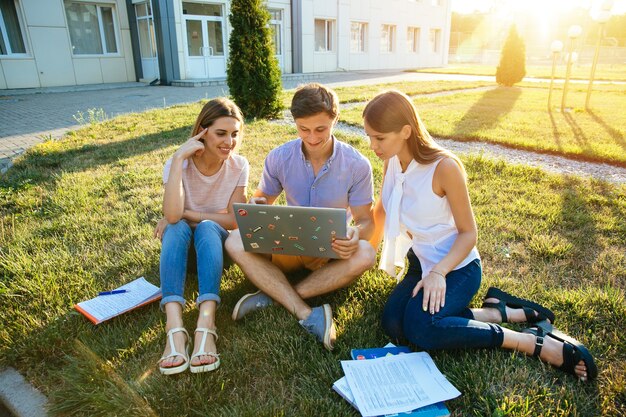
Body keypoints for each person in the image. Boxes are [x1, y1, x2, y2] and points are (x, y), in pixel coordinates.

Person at [363, 90, 596, 382]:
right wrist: (362, 246)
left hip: (457, 267)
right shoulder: (392, 160)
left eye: (379, 138)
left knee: (422, 328)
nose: (372, 145)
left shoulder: (444, 168)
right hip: (421, 263)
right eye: (369, 136)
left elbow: (468, 233)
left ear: (405, 131)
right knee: (395, 324)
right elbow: (382, 209)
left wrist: (438, 272)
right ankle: (497, 311)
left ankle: (531, 342)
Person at [225, 83, 376, 351]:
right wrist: (257, 203)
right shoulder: (280, 157)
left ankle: (273, 296)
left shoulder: (357, 165)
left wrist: (356, 234)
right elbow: (262, 201)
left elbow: (366, 221)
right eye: (303, 129)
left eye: (321, 129)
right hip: (288, 248)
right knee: (234, 240)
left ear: (335, 120)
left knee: (366, 253)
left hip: (328, 252)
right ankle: (303, 309)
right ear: (295, 122)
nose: (312, 137)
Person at [154, 98, 249, 375]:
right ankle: (175, 327)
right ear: (202, 131)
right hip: (182, 252)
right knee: (175, 227)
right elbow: (172, 216)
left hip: (215, 250)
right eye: (221, 133)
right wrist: (178, 159)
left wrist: (192, 214)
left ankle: (206, 324)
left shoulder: (239, 165)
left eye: (234, 134)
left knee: (207, 226)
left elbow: (233, 219)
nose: (229, 142)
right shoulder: (177, 164)